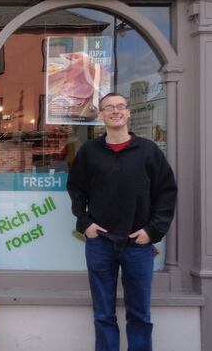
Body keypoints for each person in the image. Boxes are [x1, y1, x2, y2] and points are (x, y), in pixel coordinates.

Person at [67, 92, 177, 351]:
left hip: (137, 245)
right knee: (103, 314)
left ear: (128, 113)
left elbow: (166, 192)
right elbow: (75, 189)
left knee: (139, 315)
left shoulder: (148, 151)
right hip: (101, 243)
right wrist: (85, 224)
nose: (115, 111)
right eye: (108, 108)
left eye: (120, 107)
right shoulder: (89, 152)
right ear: (101, 115)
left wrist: (152, 231)